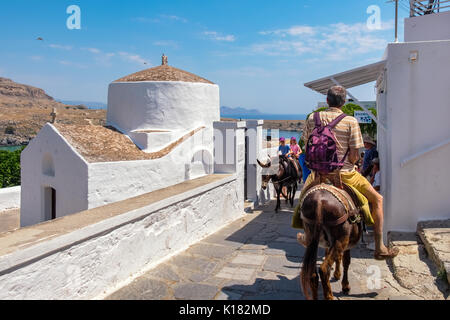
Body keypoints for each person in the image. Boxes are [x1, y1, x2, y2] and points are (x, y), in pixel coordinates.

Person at [294, 85, 399, 260]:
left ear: (327, 101)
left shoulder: (313, 118)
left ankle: (306, 236)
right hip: (345, 174)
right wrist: (351, 161)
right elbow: (354, 155)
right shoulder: (350, 121)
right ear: (343, 102)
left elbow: (306, 145)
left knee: (303, 200)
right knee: (378, 200)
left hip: (317, 174)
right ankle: (380, 246)